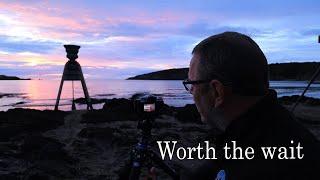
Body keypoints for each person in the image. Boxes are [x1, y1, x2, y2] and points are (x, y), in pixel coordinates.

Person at [180, 32, 320, 179]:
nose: (192, 92)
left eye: (192, 84)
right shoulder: (266, 131)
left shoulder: (268, 166)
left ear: (217, 92)